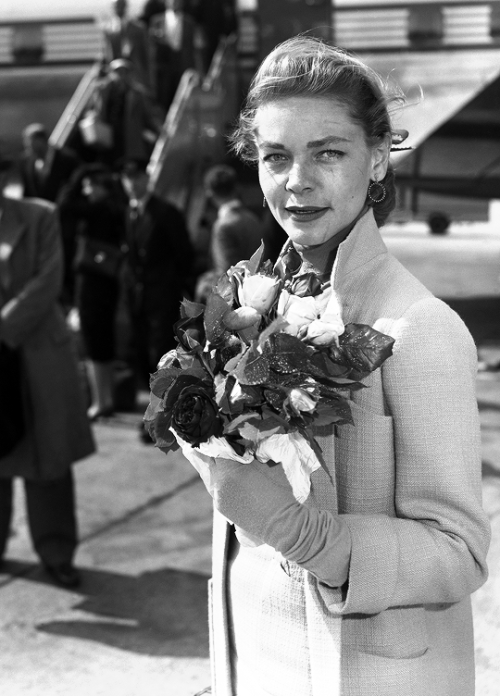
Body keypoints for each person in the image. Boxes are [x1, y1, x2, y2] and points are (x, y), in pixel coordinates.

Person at [171, 37, 491, 695]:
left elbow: (458, 553)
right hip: (258, 655)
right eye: (276, 157)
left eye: (328, 153)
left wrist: (307, 536)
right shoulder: (251, 300)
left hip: (365, 672)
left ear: (377, 159)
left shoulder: (419, 328)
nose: (297, 181)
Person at [0, 153, 95, 588]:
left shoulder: (41, 216)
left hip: (36, 354)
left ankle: (56, 551)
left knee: (48, 459)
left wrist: (4, 327)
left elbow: (47, 280)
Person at [121, 160, 195, 435]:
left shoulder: (166, 212)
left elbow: (184, 253)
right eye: (127, 179)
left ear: (146, 179)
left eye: (136, 177)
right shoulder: (129, 212)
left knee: (160, 356)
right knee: (141, 354)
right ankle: (155, 414)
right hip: (138, 298)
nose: (132, 184)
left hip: (162, 297)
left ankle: (159, 419)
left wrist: (172, 286)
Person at [57, 164, 127, 421]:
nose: (85, 192)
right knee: (104, 339)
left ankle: (99, 402)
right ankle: (105, 398)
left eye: (89, 186)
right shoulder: (115, 208)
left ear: (100, 187)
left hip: (91, 283)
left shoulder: (97, 209)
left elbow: (64, 204)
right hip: (108, 281)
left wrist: (78, 174)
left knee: (92, 340)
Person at [195, 164, 263, 302]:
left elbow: (225, 274)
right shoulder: (253, 218)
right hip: (259, 294)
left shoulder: (222, 227)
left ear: (210, 193)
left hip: (235, 302)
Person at [83, 58, 163, 167]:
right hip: (107, 135)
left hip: (127, 137)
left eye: (124, 72)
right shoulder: (102, 91)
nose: (121, 75)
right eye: (117, 72)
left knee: (127, 166)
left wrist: (159, 130)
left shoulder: (137, 94)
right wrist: (93, 117)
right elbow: (91, 110)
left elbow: (148, 116)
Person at [149, 0, 196, 111]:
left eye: (177, 0)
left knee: (183, 96)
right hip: (164, 66)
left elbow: (193, 48)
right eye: (172, 0)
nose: (175, 2)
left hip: (182, 65)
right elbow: (151, 44)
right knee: (164, 98)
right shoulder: (157, 21)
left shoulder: (189, 22)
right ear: (166, 1)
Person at [102, 0, 152, 92]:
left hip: (135, 75)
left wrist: (148, 81)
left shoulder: (138, 28)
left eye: (121, 4)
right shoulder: (108, 30)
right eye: (116, 5)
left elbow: (146, 56)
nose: (118, 8)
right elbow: (106, 53)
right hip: (115, 75)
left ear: (125, 5)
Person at [19, 123, 80, 203]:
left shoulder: (67, 159)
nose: (29, 150)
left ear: (43, 140)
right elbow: (27, 193)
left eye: (31, 145)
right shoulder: (27, 162)